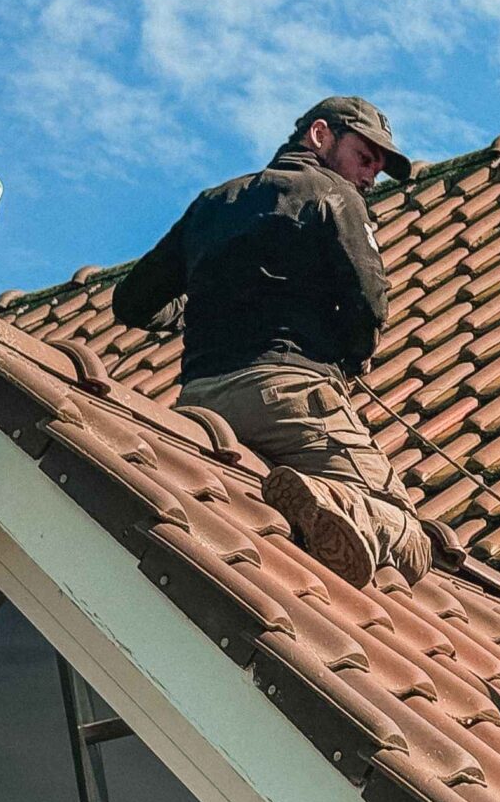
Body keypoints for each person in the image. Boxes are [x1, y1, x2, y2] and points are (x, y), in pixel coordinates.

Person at [113, 96, 431, 587]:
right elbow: (370, 304)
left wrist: (196, 313)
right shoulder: (334, 194)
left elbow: (131, 302)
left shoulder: (211, 204)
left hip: (197, 407)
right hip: (289, 398)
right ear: (321, 135)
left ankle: (303, 515)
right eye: (365, 158)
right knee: (411, 536)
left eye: (378, 168)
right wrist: (352, 355)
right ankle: (331, 501)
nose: (370, 176)